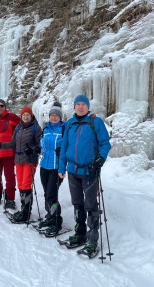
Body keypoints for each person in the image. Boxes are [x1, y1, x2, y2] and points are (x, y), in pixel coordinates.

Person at [58, 94, 111, 255]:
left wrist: (100, 159)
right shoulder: (69, 124)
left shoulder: (96, 122)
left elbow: (105, 143)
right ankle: (79, 233)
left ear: (88, 107)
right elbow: (64, 146)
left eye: (83, 104)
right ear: (74, 107)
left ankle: (93, 238)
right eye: (78, 104)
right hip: (72, 170)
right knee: (77, 203)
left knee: (90, 205)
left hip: (90, 170)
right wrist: (61, 167)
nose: (80, 106)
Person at [0, 106, 42, 223]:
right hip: (18, 159)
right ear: (21, 116)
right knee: (20, 185)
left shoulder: (36, 128)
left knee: (26, 185)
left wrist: (32, 149)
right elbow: (12, 143)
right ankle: (23, 209)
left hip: (30, 160)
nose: (26, 117)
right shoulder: (19, 127)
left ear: (31, 116)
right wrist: (1, 145)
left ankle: (26, 213)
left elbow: (40, 145)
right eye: (24, 115)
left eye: (28, 115)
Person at [37, 102, 65, 235]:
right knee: (46, 193)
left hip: (56, 167)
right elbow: (42, 146)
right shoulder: (45, 129)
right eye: (52, 115)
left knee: (52, 195)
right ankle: (50, 215)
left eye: (56, 115)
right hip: (44, 166)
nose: (54, 117)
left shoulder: (64, 129)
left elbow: (69, 146)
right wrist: (36, 149)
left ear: (60, 117)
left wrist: (62, 151)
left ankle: (57, 221)